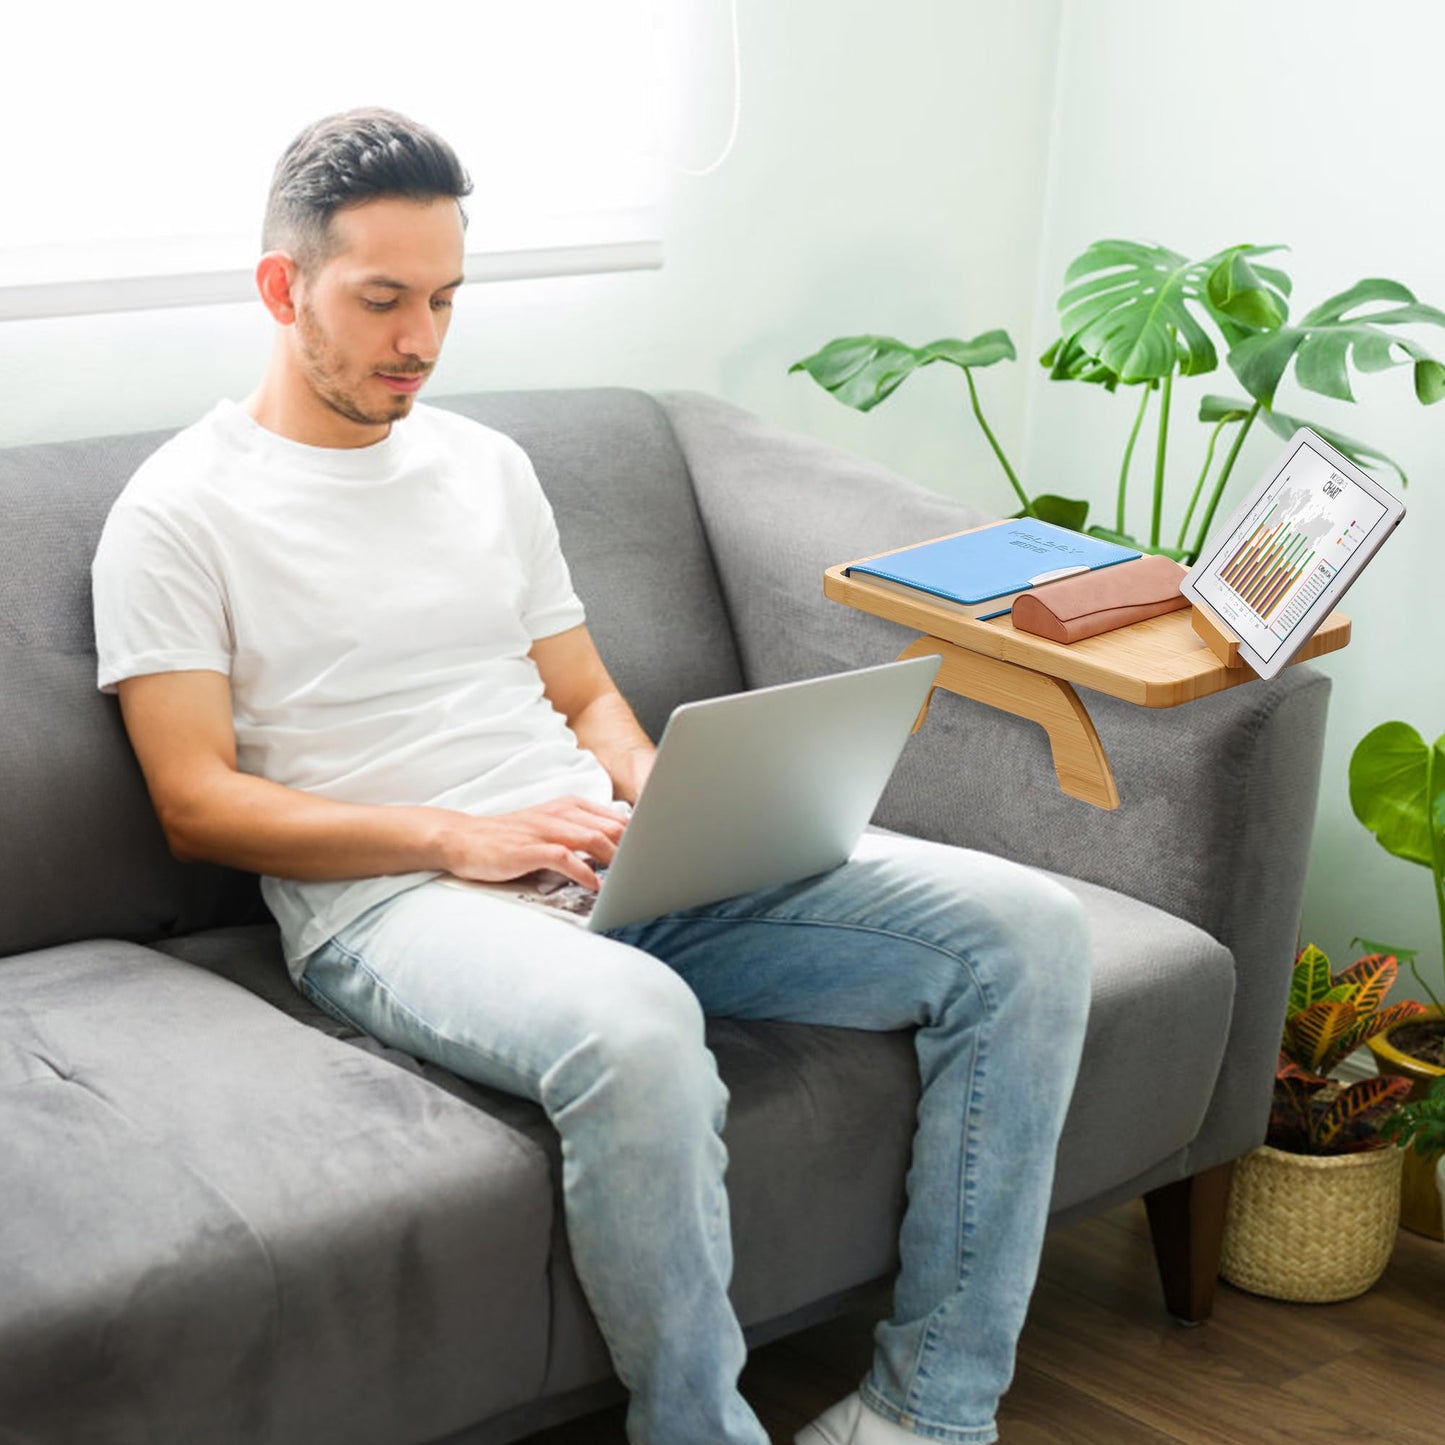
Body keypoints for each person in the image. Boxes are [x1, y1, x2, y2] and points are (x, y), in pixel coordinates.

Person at [91, 108, 1093, 1445]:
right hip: (392, 902)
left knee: (1029, 931)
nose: (420, 340)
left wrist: (658, 791)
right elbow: (194, 801)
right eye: (382, 299)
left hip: (598, 849)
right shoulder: (179, 510)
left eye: (445, 298)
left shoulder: (485, 466)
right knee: (635, 1026)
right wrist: (459, 836)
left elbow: (582, 694)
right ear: (283, 287)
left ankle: (925, 1414)